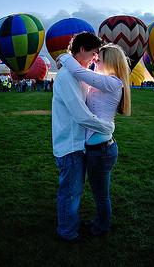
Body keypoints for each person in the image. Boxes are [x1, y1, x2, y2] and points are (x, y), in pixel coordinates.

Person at [58, 43, 131, 237]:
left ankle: (102, 227)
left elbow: (80, 72)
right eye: (95, 57)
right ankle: (100, 222)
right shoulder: (103, 81)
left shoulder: (113, 82)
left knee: (101, 195)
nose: (94, 61)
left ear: (111, 61)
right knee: (98, 193)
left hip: (102, 150)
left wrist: (63, 57)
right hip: (96, 148)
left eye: (98, 59)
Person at [52, 32, 114, 243]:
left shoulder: (78, 73)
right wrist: (105, 127)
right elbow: (80, 115)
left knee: (74, 191)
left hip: (80, 144)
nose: (96, 57)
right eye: (94, 53)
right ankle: (67, 232)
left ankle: (70, 226)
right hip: (70, 145)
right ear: (81, 50)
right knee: (70, 193)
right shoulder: (66, 77)